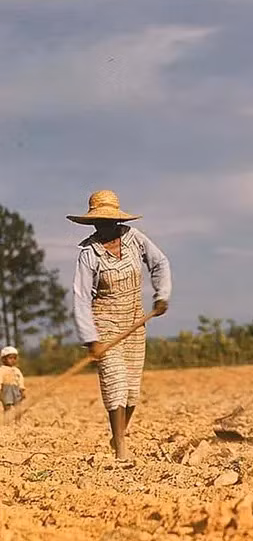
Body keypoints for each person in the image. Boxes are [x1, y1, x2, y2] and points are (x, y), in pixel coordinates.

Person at [69, 189, 171, 460]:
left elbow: (160, 263)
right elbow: (81, 297)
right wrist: (92, 339)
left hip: (135, 322)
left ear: (116, 220)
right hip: (104, 323)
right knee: (115, 385)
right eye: (98, 221)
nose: (103, 226)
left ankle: (117, 437)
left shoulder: (134, 239)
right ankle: (122, 452)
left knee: (132, 392)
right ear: (92, 222)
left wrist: (161, 295)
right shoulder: (89, 253)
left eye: (107, 220)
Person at [1, 346, 25, 425]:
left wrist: (22, 390)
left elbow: (20, 380)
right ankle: (7, 423)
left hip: (16, 389)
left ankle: (18, 421)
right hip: (6, 389)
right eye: (10, 358)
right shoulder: (2, 370)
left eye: (15, 358)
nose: (13, 360)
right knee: (7, 407)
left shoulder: (17, 370)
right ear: (4, 359)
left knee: (18, 406)